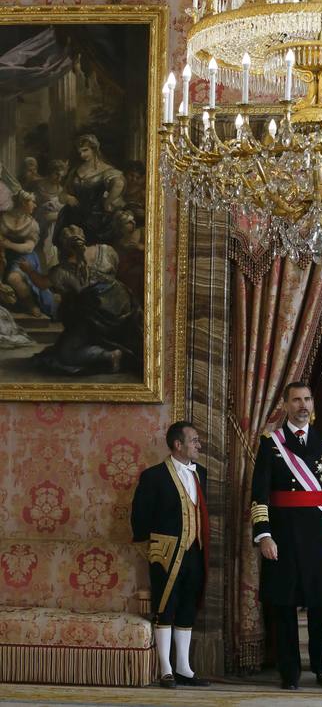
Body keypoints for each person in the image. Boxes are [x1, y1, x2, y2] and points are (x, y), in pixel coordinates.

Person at [251, 381, 322, 691]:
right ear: (286, 405)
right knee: (283, 604)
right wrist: (264, 535)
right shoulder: (271, 442)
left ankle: (321, 666)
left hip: (318, 535)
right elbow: (259, 493)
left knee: (320, 605)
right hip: (283, 535)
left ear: (313, 403)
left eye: (307, 399)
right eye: (296, 400)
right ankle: (288, 670)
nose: (302, 405)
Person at [131, 421, 210, 689]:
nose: (199, 445)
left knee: (188, 605)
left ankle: (183, 668)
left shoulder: (202, 474)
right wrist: (150, 550)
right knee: (165, 607)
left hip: (195, 551)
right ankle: (165, 669)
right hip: (164, 553)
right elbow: (139, 517)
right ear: (178, 445)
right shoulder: (153, 476)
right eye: (194, 440)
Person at [24, 225, 143, 375]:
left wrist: (28, 270)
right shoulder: (106, 250)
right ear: (83, 238)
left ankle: (111, 355)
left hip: (95, 317)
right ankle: (113, 350)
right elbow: (115, 271)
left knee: (66, 354)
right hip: (124, 305)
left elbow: (41, 283)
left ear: (64, 247)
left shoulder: (61, 271)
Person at [54, 133, 125, 246]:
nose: (82, 154)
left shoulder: (106, 170)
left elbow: (119, 184)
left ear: (94, 149)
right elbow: (62, 195)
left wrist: (107, 202)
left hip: (95, 220)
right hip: (72, 218)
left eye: (85, 150)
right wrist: (68, 197)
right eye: (79, 152)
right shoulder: (75, 170)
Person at [0, 190, 54, 318]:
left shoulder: (32, 224)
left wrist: (8, 245)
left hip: (23, 257)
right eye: (33, 202)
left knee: (14, 278)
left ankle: (30, 304)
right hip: (3, 254)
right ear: (24, 202)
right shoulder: (3, 218)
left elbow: (29, 247)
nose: (35, 205)